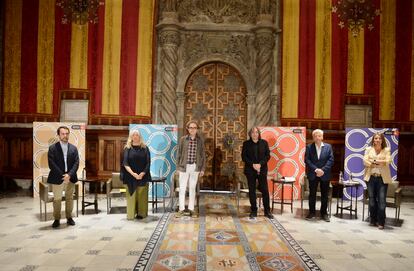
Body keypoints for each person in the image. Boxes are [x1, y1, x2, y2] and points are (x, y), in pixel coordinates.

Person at [47, 126, 79, 228]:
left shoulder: (73, 148)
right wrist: (63, 175)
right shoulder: (52, 148)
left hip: (71, 177)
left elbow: (76, 163)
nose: (65, 136)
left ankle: (69, 217)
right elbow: (51, 164)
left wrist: (69, 175)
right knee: (57, 199)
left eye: (67, 134)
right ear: (58, 135)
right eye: (63, 134)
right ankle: (57, 219)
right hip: (57, 177)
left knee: (69, 198)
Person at [241, 127, 274, 219]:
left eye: (256, 132)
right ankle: (253, 210)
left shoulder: (264, 143)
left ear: (259, 134)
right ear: (250, 134)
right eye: (253, 132)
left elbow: (267, 156)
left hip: (262, 169)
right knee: (252, 191)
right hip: (250, 170)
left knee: (265, 190)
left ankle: (267, 211)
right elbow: (244, 157)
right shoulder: (246, 144)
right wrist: (253, 165)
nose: (255, 134)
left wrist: (260, 164)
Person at [176, 120, 206, 218]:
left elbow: (203, 155)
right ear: (188, 129)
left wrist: (202, 169)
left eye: (194, 128)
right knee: (182, 188)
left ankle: (191, 209)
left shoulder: (200, 140)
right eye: (191, 127)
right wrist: (178, 167)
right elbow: (179, 154)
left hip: (195, 167)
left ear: (197, 129)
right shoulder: (183, 139)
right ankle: (181, 209)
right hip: (184, 167)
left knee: (192, 188)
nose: (193, 129)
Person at [363, 132, 391, 230]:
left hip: (382, 179)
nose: (377, 140)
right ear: (373, 140)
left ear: (382, 140)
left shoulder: (386, 150)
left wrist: (374, 161)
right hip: (371, 178)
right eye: (375, 138)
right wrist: (377, 162)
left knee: (382, 201)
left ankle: (381, 222)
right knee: (372, 200)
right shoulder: (368, 149)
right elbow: (365, 161)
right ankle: (373, 219)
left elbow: (388, 161)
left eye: (379, 138)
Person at [305, 129, 334, 222]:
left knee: (324, 195)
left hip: (324, 174)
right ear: (313, 137)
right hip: (313, 174)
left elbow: (331, 160)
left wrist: (322, 170)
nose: (317, 137)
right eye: (315, 136)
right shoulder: (309, 147)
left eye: (319, 136)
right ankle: (311, 212)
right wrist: (316, 169)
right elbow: (307, 160)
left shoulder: (328, 147)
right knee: (312, 194)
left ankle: (324, 213)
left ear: (322, 137)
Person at [123, 130, 151, 220]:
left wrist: (142, 173)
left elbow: (148, 163)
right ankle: (131, 214)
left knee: (142, 196)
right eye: (133, 135)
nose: (135, 136)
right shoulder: (127, 148)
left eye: (137, 135)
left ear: (140, 137)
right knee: (131, 196)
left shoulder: (145, 148)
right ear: (131, 137)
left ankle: (141, 214)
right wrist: (133, 174)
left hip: (143, 176)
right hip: (130, 176)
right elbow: (125, 163)